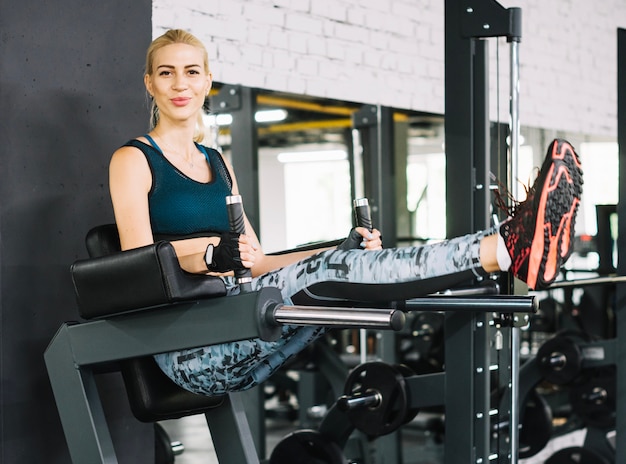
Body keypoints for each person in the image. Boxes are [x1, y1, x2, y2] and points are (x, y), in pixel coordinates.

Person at [108, 29, 583, 396]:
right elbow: (142, 264)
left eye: (191, 71)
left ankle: (504, 248)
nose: (179, 84)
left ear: (208, 80)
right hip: (189, 347)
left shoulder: (217, 162)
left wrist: (338, 247)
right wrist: (211, 253)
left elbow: (256, 261)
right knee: (336, 274)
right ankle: (504, 246)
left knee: (346, 271)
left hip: (241, 316)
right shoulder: (134, 159)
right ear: (150, 82)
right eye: (166, 72)